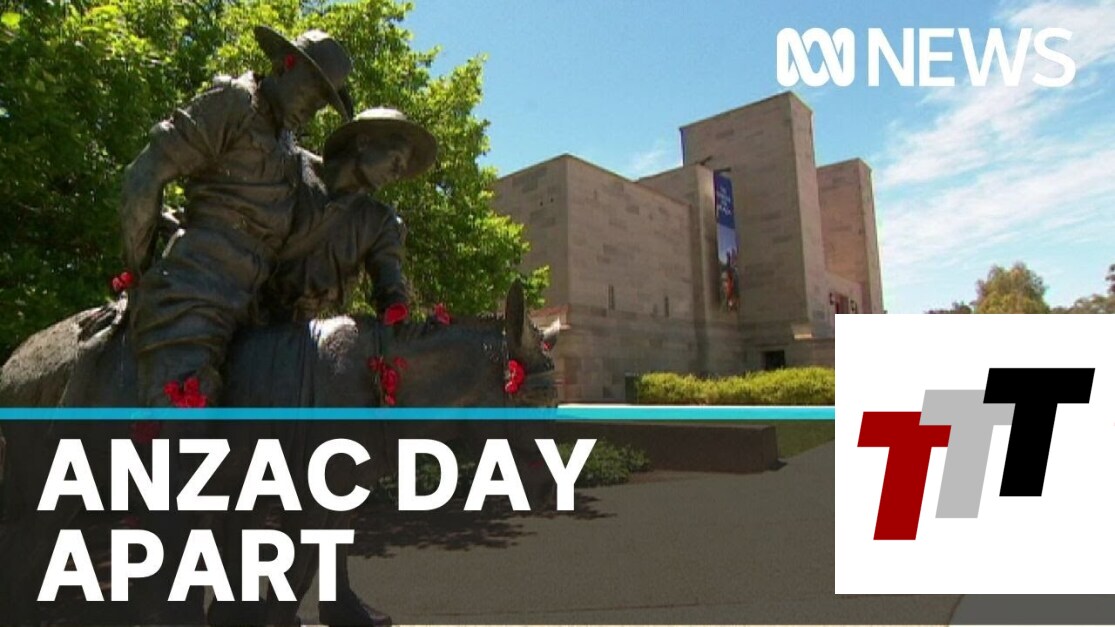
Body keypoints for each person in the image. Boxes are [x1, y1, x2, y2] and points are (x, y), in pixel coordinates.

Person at [121, 26, 354, 407]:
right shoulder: (234, 101)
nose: (314, 109)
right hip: (193, 301)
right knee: (181, 427)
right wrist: (138, 272)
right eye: (312, 93)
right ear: (285, 64)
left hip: (252, 310)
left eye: (321, 104)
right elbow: (144, 176)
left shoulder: (287, 146)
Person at [262, 107, 438, 324]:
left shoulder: (380, 223)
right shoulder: (289, 167)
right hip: (237, 305)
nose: (395, 174)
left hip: (291, 334)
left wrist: (398, 317)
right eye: (395, 159)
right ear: (363, 142)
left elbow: (391, 291)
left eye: (401, 170)